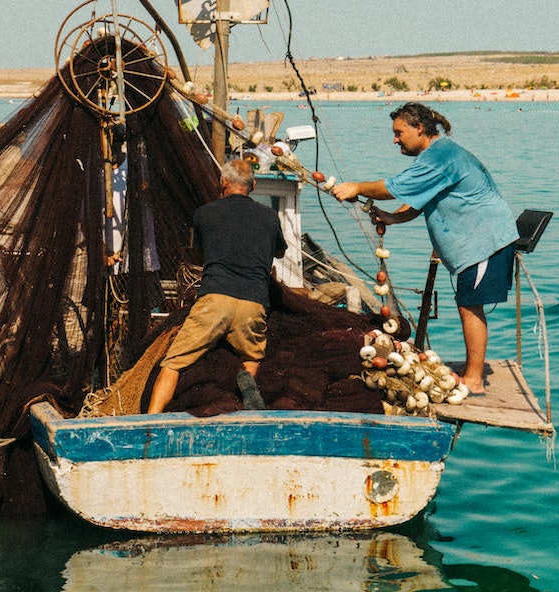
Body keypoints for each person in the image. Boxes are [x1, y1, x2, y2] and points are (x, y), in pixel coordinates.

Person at [330, 103, 518, 395]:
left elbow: (393, 187)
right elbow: (417, 198)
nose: (395, 140)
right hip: (480, 240)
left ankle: (474, 380)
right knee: (467, 303)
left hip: (486, 241)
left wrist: (356, 187)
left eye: (399, 132)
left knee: (470, 306)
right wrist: (393, 218)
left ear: (419, 128)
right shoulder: (437, 155)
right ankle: (472, 373)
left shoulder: (440, 156)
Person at [147, 158, 287, 413]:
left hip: (214, 301)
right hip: (253, 303)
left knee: (173, 363)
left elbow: (201, 256)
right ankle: (248, 387)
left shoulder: (204, 214)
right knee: (251, 356)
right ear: (253, 185)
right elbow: (279, 252)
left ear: (223, 183)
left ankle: (150, 420)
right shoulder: (269, 217)